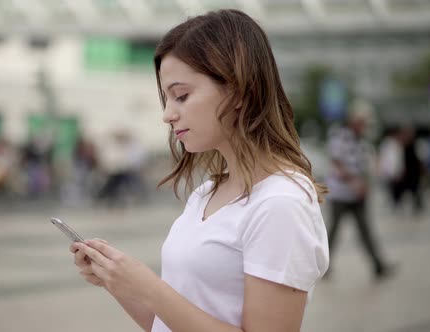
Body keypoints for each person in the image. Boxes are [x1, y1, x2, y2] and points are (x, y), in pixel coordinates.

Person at [69, 9, 329, 332]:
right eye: (167, 99)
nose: (168, 115)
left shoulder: (281, 203)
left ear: (237, 90)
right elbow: (170, 323)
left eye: (181, 96)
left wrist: (150, 288)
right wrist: (117, 281)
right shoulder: (206, 192)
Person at [325, 109, 394, 279]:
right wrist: (355, 181)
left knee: (366, 231)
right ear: (352, 122)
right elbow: (337, 163)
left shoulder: (363, 142)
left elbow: (367, 167)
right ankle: (323, 267)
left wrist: (365, 184)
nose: (362, 126)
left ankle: (378, 265)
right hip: (340, 195)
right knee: (332, 232)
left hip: (357, 196)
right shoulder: (340, 137)